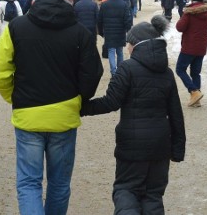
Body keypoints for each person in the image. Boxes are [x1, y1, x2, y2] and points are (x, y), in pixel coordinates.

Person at [0, 0, 103, 215]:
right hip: (64, 115)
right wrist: (79, 99)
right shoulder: (80, 32)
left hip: (28, 114)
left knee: (29, 182)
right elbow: (92, 72)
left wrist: (13, 95)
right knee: (59, 183)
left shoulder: (18, 27)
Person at [80, 17, 186, 215]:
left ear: (136, 45)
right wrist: (178, 148)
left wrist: (81, 108)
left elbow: (111, 102)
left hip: (132, 145)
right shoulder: (167, 73)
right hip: (160, 146)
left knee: (126, 190)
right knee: (153, 195)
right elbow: (176, 113)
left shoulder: (127, 68)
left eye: (128, 43)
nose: (127, 47)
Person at [175, 0, 207, 107]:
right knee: (196, 72)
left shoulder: (189, 12)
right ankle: (196, 100)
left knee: (180, 69)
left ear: (192, 0)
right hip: (201, 47)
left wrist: (184, 16)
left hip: (189, 47)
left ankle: (194, 91)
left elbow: (179, 27)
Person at [98, 0, 134, 75]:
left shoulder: (104, 4)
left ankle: (113, 71)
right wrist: (128, 30)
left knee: (111, 51)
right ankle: (120, 71)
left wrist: (101, 32)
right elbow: (127, 19)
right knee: (120, 51)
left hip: (109, 32)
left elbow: (100, 20)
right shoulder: (124, 4)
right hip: (120, 31)